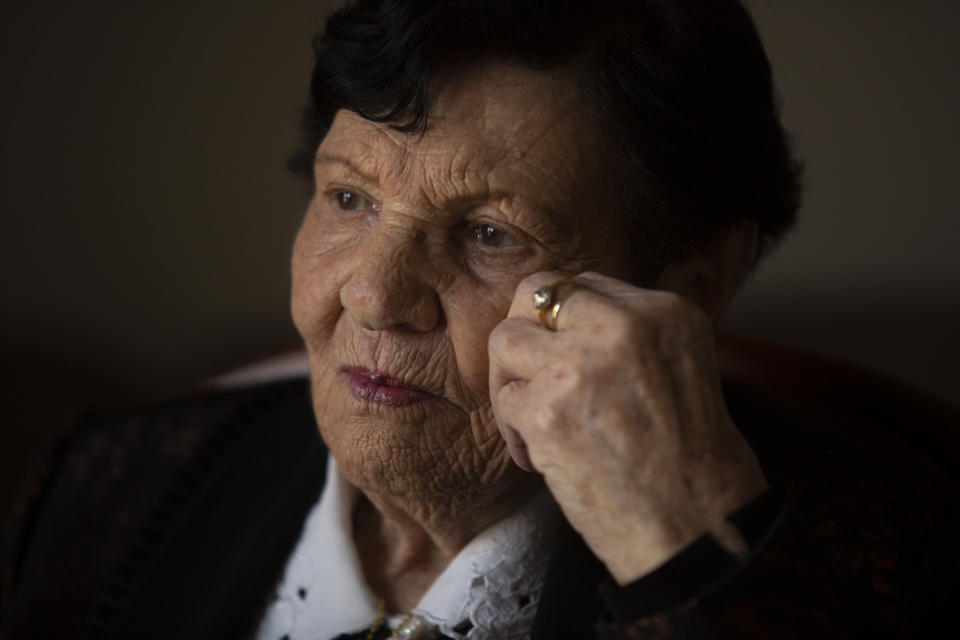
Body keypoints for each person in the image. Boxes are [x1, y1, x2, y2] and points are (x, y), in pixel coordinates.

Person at [2, 1, 956, 638]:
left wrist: (688, 562)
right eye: (349, 200)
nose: (373, 298)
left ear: (692, 284)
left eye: (492, 232)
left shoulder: (893, 570)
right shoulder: (97, 494)